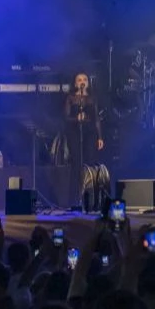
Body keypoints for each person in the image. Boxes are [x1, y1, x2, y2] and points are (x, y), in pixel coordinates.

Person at [64, 73, 105, 210]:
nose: (83, 81)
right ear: (75, 83)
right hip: (75, 132)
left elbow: (97, 119)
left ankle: (91, 199)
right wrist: (76, 118)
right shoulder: (71, 98)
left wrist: (100, 137)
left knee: (90, 163)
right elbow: (66, 117)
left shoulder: (92, 98)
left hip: (90, 133)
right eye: (79, 80)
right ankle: (74, 200)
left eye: (85, 79)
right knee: (77, 163)